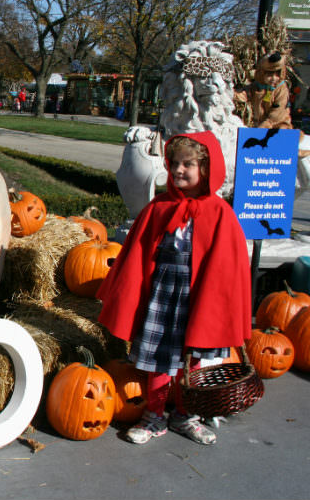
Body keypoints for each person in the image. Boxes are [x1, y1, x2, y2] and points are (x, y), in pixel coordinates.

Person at [96, 131, 251, 446]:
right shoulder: (160, 206)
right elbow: (139, 253)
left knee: (192, 362)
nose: (178, 170)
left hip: (200, 296)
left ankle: (186, 415)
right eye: (174, 163)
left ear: (206, 168)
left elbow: (228, 267)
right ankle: (154, 416)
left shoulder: (220, 213)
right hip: (164, 291)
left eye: (188, 164)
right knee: (159, 359)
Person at [234, 52, 291, 130]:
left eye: (277, 75)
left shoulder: (281, 89)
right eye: (270, 75)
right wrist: (231, 93)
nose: (274, 78)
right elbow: (244, 94)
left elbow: (278, 111)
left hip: (278, 126)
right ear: (262, 74)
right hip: (260, 125)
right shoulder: (257, 86)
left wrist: (265, 125)